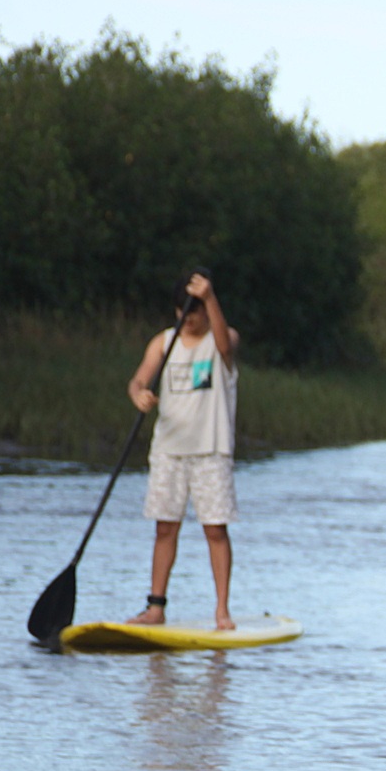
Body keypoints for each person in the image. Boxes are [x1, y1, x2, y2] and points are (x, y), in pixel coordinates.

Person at [128, 270, 239, 630]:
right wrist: (139, 394)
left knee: (215, 530)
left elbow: (226, 347)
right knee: (165, 528)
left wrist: (210, 296)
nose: (189, 319)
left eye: (196, 311)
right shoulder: (163, 342)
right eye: (183, 312)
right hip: (169, 450)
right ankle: (155, 607)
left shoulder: (222, 337)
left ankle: (222, 611)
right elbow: (139, 379)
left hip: (211, 450)